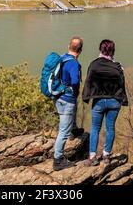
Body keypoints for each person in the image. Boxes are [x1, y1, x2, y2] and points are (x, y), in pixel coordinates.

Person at [82, 39, 128, 166]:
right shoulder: (118, 66)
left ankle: (92, 157)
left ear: (100, 49)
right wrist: (123, 99)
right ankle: (106, 155)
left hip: (99, 101)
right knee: (110, 128)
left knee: (95, 128)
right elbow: (121, 85)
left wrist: (86, 97)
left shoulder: (94, 64)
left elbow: (88, 81)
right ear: (113, 51)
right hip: (114, 101)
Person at [53, 36, 83, 171]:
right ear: (80, 50)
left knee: (69, 117)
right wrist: (75, 92)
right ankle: (58, 160)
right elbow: (75, 81)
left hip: (58, 96)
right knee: (63, 131)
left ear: (69, 46)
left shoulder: (62, 57)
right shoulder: (73, 64)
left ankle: (74, 129)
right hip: (67, 99)